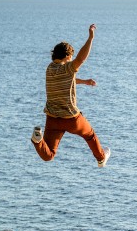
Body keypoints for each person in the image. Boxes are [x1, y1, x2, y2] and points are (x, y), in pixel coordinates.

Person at [31, 24, 110, 167]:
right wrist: (91, 38)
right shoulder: (68, 68)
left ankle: (37, 141)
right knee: (90, 135)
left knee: (49, 155)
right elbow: (82, 58)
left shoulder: (49, 69)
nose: (72, 60)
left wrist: (84, 82)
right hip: (71, 119)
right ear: (67, 56)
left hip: (53, 119)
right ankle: (101, 159)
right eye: (71, 57)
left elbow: (68, 80)